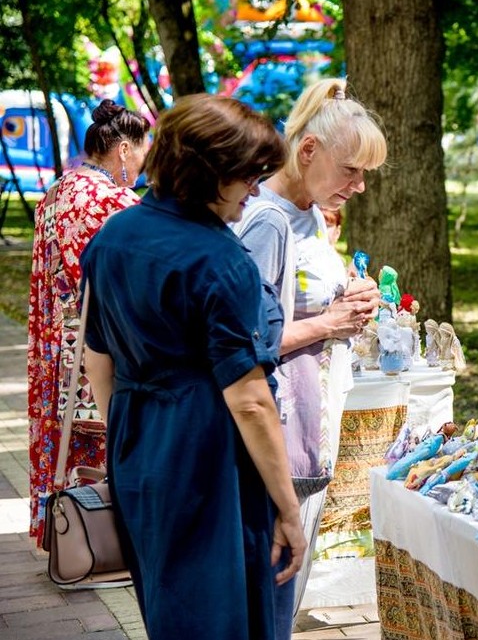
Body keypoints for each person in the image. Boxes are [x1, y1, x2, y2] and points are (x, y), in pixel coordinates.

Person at [79, 94, 307, 639]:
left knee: (167, 608)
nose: (254, 191)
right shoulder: (222, 261)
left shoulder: (113, 236)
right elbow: (249, 400)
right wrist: (289, 509)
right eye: (248, 177)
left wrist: (128, 442)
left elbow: (97, 357)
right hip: (211, 458)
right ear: (211, 173)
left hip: (138, 444)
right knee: (226, 616)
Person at [232, 77, 385, 626]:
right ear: (309, 151)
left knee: (287, 592)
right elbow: (242, 344)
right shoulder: (266, 221)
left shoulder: (310, 212)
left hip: (311, 423)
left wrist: (350, 292)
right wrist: (332, 320)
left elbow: (299, 301)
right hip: (283, 430)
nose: (360, 186)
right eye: (352, 171)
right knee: (274, 594)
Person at [26, 98, 150, 549]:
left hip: (58, 346)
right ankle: (106, 544)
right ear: (122, 150)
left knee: (66, 452)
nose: (140, 165)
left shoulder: (60, 191)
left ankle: (67, 537)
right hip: (100, 350)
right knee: (107, 450)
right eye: (141, 153)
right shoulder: (112, 200)